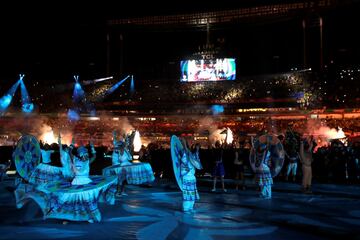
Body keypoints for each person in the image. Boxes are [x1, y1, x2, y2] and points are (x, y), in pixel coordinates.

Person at [179, 137, 200, 213]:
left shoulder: (192, 154)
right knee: (187, 193)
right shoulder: (185, 152)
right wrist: (184, 144)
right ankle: (186, 208)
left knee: (191, 193)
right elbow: (184, 155)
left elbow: (197, 163)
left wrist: (197, 150)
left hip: (191, 177)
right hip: (186, 176)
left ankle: (190, 207)